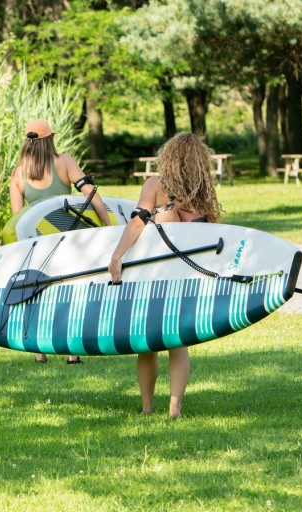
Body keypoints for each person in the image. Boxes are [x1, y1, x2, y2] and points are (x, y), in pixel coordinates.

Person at [108, 132, 223, 418]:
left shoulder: (155, 185)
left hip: (153, 275)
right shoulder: (201, 192)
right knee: (177, 343)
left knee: (146, 344)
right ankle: (174, 409)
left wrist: (117, 256)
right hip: (184, 278)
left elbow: (138, 222)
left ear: (168, 157)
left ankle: (147, 407)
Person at [9, 118, 112, 364]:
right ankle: (72, 352)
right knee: (70, 290)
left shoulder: (18, 173)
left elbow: (17, 220)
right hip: (67, 239)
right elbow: (91, 193)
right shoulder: (64, 162)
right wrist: (108, 226)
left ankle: (39, 351)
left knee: (38, 293)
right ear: (50, 139)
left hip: (37, 245)